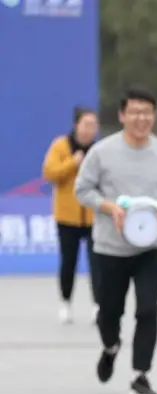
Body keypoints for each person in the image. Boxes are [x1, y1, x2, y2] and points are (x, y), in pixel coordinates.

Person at [74, 87, 157, 394]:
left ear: (154, 116)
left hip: (151, 248)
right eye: (135, 112)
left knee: (148, 309)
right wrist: (109, 207)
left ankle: (141, 375)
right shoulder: (102, 152)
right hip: (109, 248)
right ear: (122, 115)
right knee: (109, 311)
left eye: (147, 112)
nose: (142, 118)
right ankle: (111, 346)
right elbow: (82, 189)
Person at [43, 106, 99, 324]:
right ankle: (65, 302)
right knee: (69, 262)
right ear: (76, 125)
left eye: (93, 125)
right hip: (67, 216)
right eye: (86, 124)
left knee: (98, 263)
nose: (90, 130)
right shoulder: (61, 146)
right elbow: (49, 173)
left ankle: (98, 305)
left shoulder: (98, 150)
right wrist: (71, 163)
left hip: (94, 216)